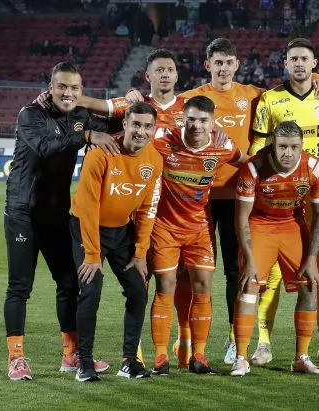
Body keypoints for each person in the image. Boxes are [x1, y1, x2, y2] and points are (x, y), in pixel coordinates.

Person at [247, 38, 319, 366]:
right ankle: (263, 343)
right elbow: (255, 150)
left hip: (317, 196)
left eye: (304, 59)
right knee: (269, 275)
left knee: (318, 274)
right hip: (279, 199)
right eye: (293, 59)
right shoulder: (270, 100)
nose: (299, 64)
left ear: (315, 64)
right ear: (285, 63)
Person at [4, 62, 119, 381]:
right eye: (62, 87)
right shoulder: (30, 115)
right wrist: (85, 135)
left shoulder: (80, 117)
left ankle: (70, 356)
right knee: (19, 287)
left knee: (69, 283)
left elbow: (117, 124)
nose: (68, 93)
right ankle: (16, 358)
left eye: (74, 88)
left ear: (81, 93)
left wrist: (133, 99)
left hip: (56, 214)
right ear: (50, 87)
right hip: (23, 213)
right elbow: (44, 147)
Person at [148, 95, 246, 375]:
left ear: (213, 122)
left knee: (203, 287)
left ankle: (199, 356)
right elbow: (130, 134)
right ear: (183, 118)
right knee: (165, 287)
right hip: (164, 227)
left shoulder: (223, 145)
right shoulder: (163, 139)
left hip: (199, 228)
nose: (196, 125)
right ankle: (161, 356)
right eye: (190, 119)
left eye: (203, 120)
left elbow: (246, 163)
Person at [181, 38, 265, 365]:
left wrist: (316, 81)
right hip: (197, 197)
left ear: (237, 65)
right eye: (217, 62)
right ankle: (188, 338)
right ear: (207, 65)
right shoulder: (191, 99)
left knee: (234, 270)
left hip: (236, 197)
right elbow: (156, 109)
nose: (223, 68)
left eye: (228, 62)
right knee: (195, 270)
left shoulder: (253, 95)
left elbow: (288, 95)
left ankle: (234, 336)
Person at [69, 101, 163, 381]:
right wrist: (92, 254)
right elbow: (87, 207)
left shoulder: (154, 161)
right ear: (125, 124)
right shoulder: (100, 154)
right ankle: (84, 363)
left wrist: (140, 252)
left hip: (122, 232)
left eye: (147, 126)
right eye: (136, 124)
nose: (141, 132)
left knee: (138, 291)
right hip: (86, 228)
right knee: (91, 290)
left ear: (154, 129)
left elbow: (148, 209)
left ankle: (129, 361)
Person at [230, 121, 319, 376]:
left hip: (291, 225)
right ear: (273, 145)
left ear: (301, 146)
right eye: (282, 146)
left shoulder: (315, 168)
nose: (288, 153)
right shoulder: (253, 167)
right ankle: (241, 357)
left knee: (309, 283)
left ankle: (301, 358)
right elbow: (241, 218)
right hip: (259, 225)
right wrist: (249, 259)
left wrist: (312, 258)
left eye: (294, 147)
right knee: (249, 284)